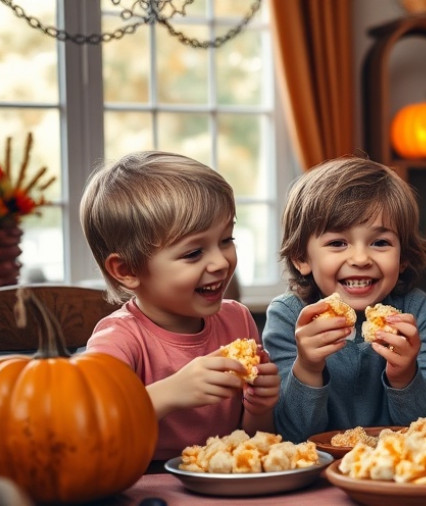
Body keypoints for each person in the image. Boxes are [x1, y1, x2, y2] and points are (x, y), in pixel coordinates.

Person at [83, 151, 279, 460]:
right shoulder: (119, 340)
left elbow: (253, 443)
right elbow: (89, 430)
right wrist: (169, 393)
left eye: (226, 240)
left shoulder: (237, 320)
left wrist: (260, 407)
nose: (220, 262)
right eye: (193, 253)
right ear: (127, 270)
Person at [263, 156, 426, 442]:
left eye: (380, 243)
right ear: (302, 258)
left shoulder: (415, 310)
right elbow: (291, 436)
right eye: (338, 243)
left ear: (402, 258)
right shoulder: (288, 317)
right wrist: (307, 368)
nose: (361, 259)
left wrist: (405, 376)